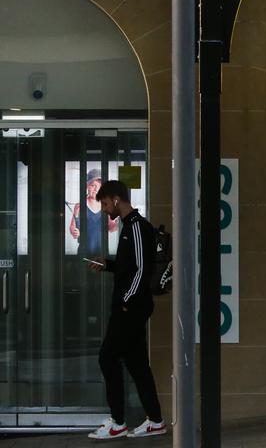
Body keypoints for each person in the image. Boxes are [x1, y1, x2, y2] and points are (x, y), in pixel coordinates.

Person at [86, 180, 166, 439]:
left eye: (106, 203)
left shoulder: (138, 227)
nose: (105, 208)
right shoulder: (128, 228)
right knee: (137, 364)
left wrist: (126, 300)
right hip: (130, 306)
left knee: (107, 357)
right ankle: (155, 420)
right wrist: (107, 265)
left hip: (130, 308)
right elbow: (129, 266)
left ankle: (118, 422)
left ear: (116, 199)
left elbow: (143, 268)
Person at [69, 169, 117, 255]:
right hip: (84, 252)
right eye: (93, 185)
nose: (96, 189)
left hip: (103, 252)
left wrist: (117, 224)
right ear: (87, 186)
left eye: (99, 186)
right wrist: (74, 232)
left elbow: (111, 228)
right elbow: (73, 229)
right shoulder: (79, 205)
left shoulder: (106, 205)